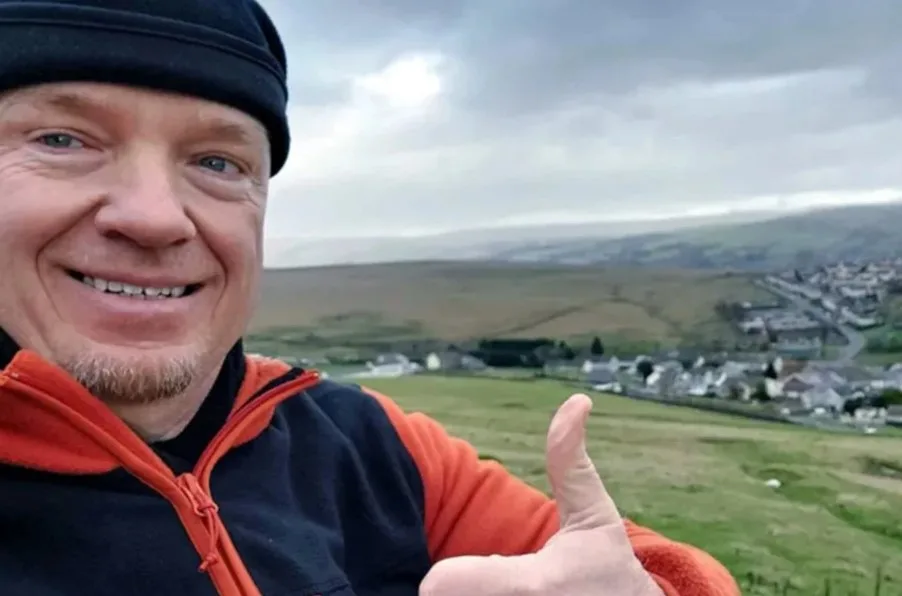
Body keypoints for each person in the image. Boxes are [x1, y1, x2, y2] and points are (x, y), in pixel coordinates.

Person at [0, 1, 740, 594]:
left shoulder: (370, 447)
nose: (156, 216)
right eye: (62, 140)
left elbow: (636, 567)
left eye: (218, 161)